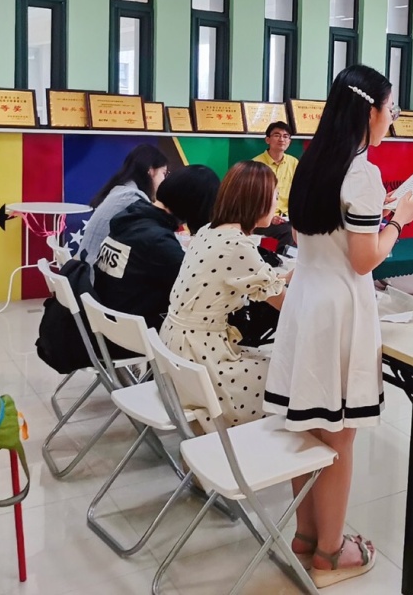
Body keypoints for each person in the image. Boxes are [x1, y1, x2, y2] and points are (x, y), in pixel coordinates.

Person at [265, 65, 413, 587]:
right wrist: (398, 219)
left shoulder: (312, 162)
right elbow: (363, 259)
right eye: (390, 109)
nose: (392, 120)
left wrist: (376, 215)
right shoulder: (362, 172)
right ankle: (331, 554)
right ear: (369, 110)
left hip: (305, 302)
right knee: (338, 437)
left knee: (306, 425)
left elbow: (315, 234)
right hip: (339, 308)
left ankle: (306, 537)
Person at [160, 161, 292, 428]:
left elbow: (237, 278)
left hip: (174, 353)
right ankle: (282, 450)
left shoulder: (208, 231)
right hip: (202, 362)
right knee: (291, 377)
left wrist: (284, 279)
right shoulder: (238, 245)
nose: (277, 202)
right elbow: (289, 306)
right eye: (275, 195)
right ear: (257, 200)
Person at [94, 165, 220, 329]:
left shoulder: (130, 218)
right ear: (197, 206)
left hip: (111, 321)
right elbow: (196, 290)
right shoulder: (157, 241)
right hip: (136, 333)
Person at [80, 144, 169, 270]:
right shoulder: (132, 198)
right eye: (164, 173)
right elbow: (152, 240)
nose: (164, 180)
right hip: (94, 275)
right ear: (151, 171)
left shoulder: (121, 191)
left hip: (86, 270)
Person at [253, 121, 298, 250]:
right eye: (277, 135)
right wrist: (269, 217)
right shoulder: (256, 164)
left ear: (289, 141)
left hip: (287, 217)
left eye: (286, 136)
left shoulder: (293, 162)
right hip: (261, 218)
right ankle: (282, 260)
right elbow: (251, 199)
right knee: (288, 232)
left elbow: (299, 192)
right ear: (267, 140)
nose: (282, 139)